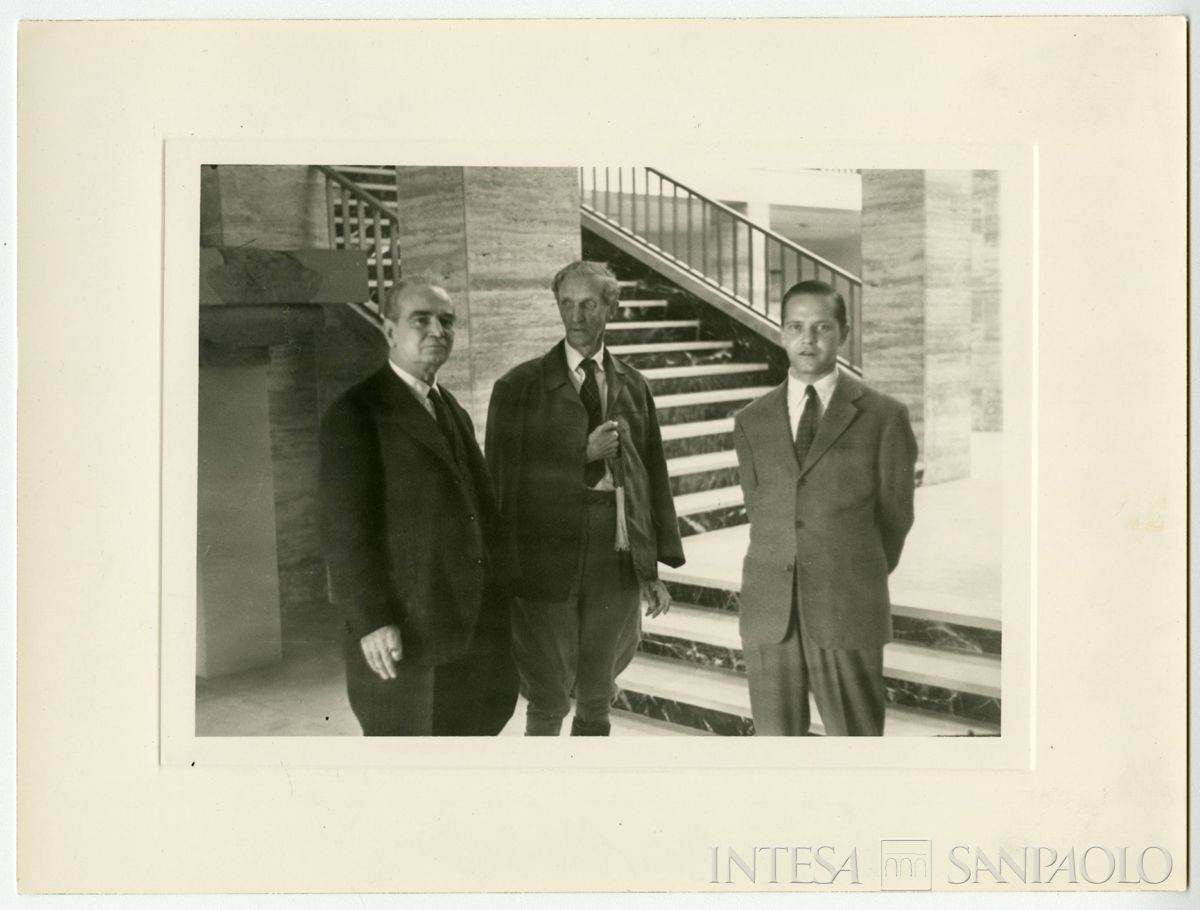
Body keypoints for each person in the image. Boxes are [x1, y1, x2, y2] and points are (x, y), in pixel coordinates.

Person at [485, 260, 685, 736]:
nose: (575, 316)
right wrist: (581, 454)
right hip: (546, 558)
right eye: (567, 304)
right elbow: (501, 484)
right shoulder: (518, 387)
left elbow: (651, 479)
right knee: (548, 695)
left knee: (597, 695)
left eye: (589, 304)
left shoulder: (634, 385)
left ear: (611, 308)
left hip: (612, 555)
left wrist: (650, 568)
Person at [318, 279, 517, 736]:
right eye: (420, 320)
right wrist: (373, 620)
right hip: (404, 637)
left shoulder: (451, 410)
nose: (436, 331)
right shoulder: (356, 413)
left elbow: (480, 514)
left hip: (468, 633)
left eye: (446, 321)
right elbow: (344, 532)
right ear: (389, 331)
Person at [733, 279, 917, 736]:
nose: (807, 339)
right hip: (769, 609)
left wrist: (853, 568)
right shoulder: (751, 420)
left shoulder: (883, 417)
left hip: (847, 602)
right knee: (777, 750)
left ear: (844, 332)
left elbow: (896, 516)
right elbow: (760, 509)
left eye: (822, 327)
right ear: (780, 333)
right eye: (795, 326)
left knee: (855, 743)